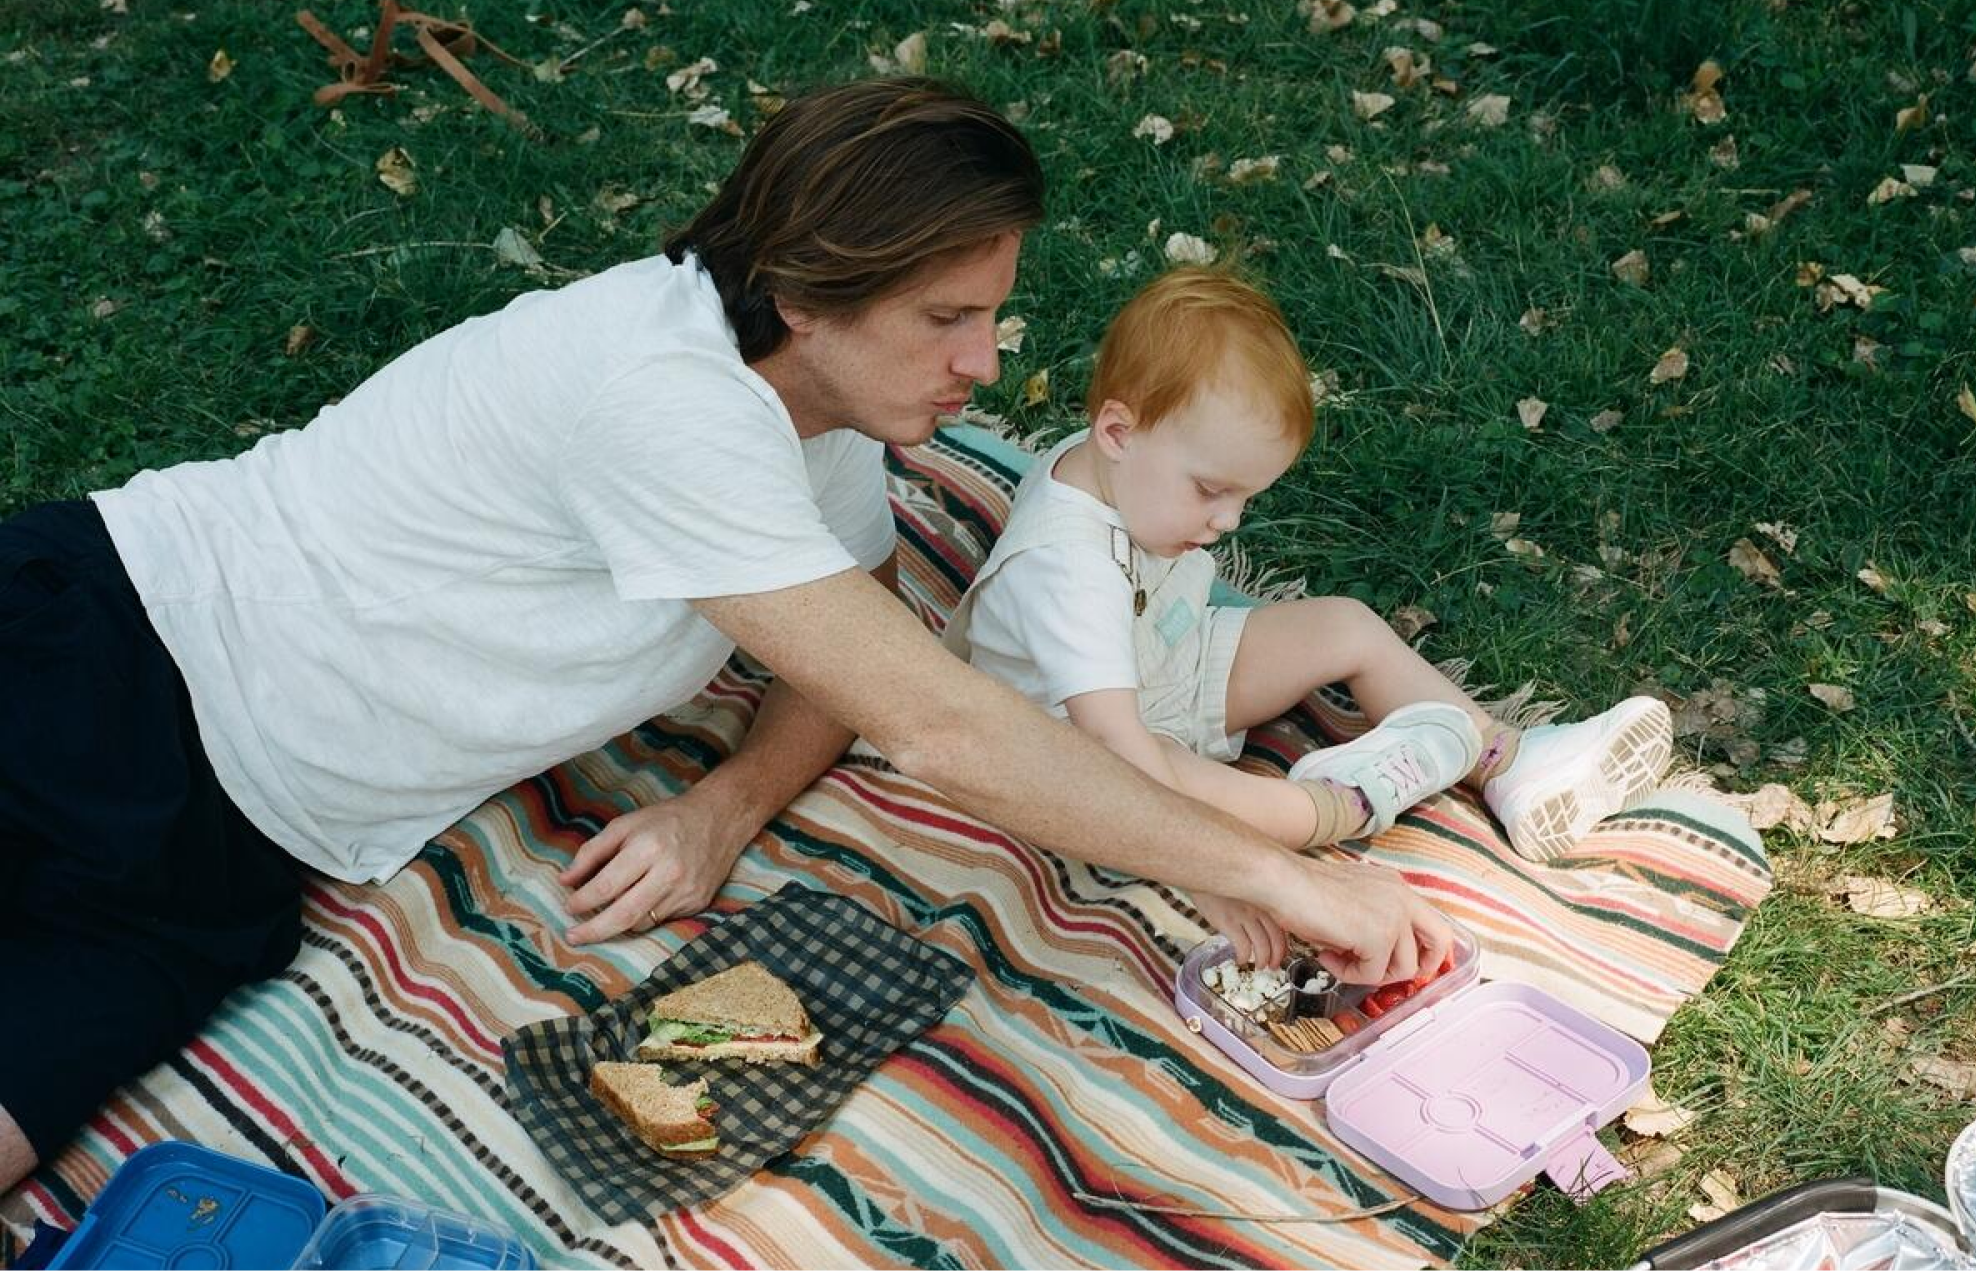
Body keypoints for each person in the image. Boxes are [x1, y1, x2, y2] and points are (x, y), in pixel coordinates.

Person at [0, 79, 1453, 1194]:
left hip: (232, 862)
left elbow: (868, 637)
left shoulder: (821, 428)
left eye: (995, 319)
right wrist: (1274, 873)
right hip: (103, 652)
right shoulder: (663, 395)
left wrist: (723, 805)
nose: (986, 365)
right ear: (811, 291)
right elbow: (943, 721)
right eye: (948, 318)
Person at [945, 266, 1674, 963]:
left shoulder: (1121, 467)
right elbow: (1112, 744)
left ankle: (1504, 760)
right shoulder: (1068, 570)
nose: (1228, 521)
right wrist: (1210, 873)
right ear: (1117, 432)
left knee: (1345, 626)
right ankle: (1341, 803)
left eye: (1244, 498)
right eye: (1209, 490)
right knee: (1171, 775)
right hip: (1075, 751)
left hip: (1164, 662)